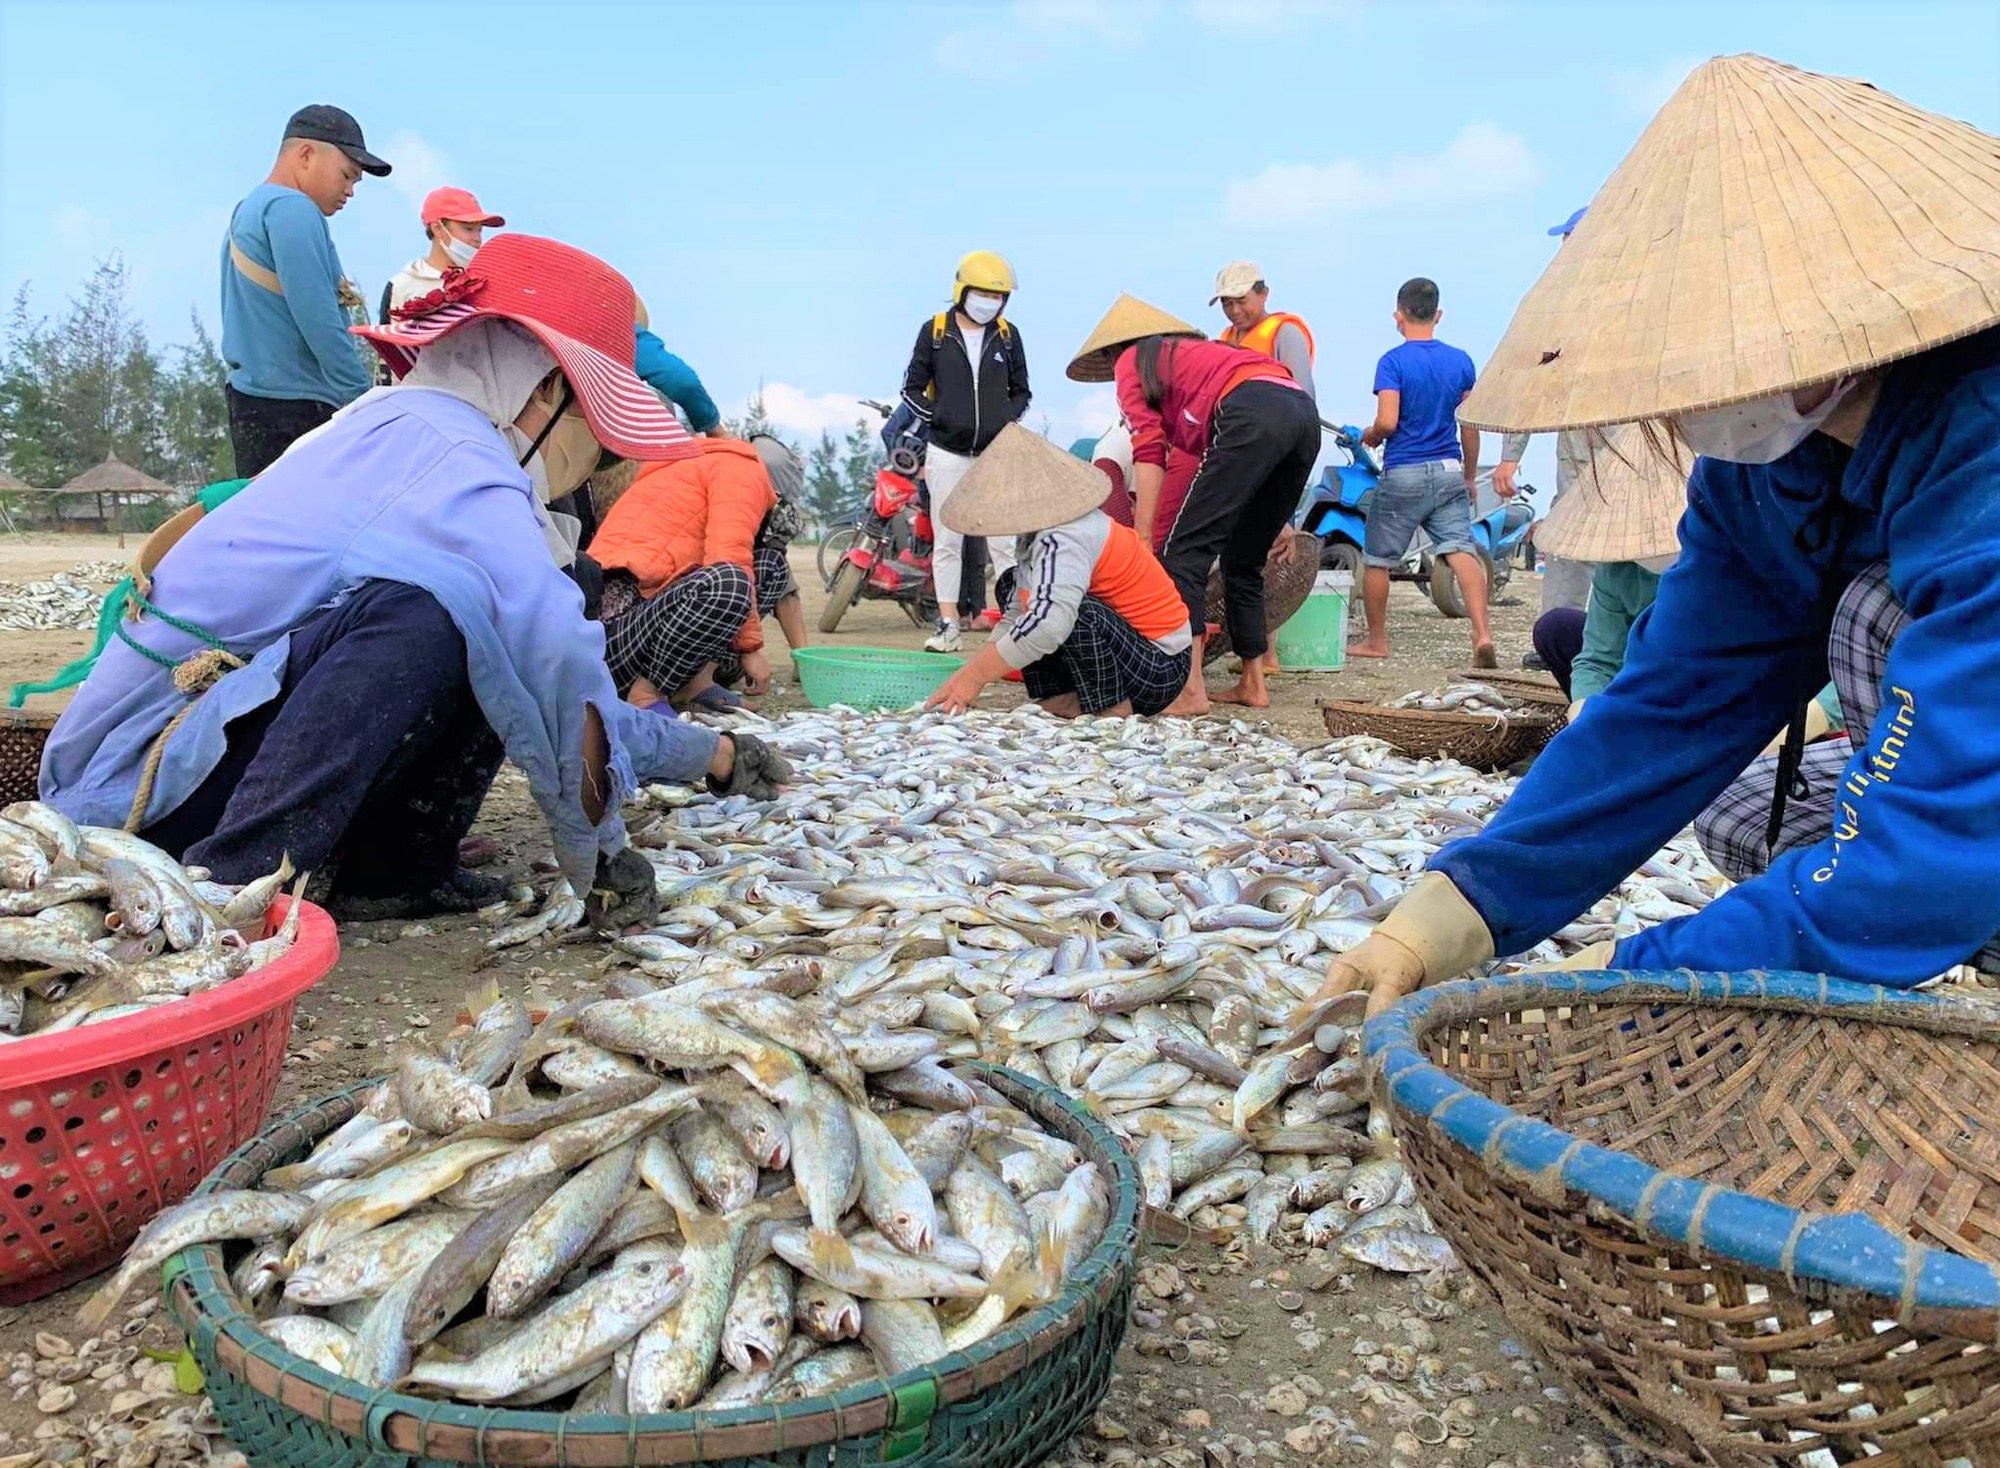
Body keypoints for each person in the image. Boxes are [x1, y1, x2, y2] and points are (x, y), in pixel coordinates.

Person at [1290, 54, 2000, 1032]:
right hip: (1962, 755)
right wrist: (1456, 908)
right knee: (1743, 813)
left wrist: (1635, 974)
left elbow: (1925, 829)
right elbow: (1677, 697)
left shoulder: (1979, 431)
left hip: (1971, 757)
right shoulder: (1763, 463)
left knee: (1870, 623)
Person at [43, 233, 790, 925]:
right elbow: (563, 676)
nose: (593, 454)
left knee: (489, 616)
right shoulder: (457, 462)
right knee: (436, 613)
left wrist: (710, 757)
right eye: (592, 425)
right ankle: (225, 889)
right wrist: (599, 856)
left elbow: (557, 686)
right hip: (137, 794)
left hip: (190, 754)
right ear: (545, 389)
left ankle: (394, 870)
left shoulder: (391, 420)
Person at [1069, 293, 1317, 714]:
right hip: (1303, 418)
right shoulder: (1207, 357)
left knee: (1184, 556)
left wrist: (1143, 537)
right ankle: (1253, 683)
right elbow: (1238, 464)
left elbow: (1148, 451)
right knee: (1244, 558)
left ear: (1115, 351)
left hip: (1253, 410)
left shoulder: (1132, 361)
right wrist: (1277, 519)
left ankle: (1189, 690)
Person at [926, 425, 1191, 718]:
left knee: (1069, 611)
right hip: (1128, 653)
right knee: (1009, 583)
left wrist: (976, 677)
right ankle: (1062, 695)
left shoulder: (1065, 536)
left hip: (1160, 666)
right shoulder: (1035, 534)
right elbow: (1017, 614)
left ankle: (1111, 705)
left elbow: (1049, 624)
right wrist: (970, 672)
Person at [221, 106, 389, 479]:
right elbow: (320, 321)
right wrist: (363, 403)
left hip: (251, 402)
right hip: (295, 412)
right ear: (306, 155)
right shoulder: (293, 209)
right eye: (347, 175)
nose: (350, 191)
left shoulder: (247, 209)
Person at [589, 433, 807, 713]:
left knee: (769, 565)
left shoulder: (690, 461)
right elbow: (727, 557)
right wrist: (750, 648)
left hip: (616, 637)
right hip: (611, 646)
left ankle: (694, 684)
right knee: (729, 583)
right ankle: (648, 695)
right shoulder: (744, 470)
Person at [1354, 278, 1497, 668]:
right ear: (1439, 315)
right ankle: (1482, 632)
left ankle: (1377, 641)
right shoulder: (1461, 361)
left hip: (1405, 470)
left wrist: (1370, 435)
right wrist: (1469, 476)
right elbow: (1469, 425)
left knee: (1379, 559)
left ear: (1398, 317)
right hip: (1450, 469)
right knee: (1459, 548)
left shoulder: (1393, 362)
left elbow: (1387, 420)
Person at [898, 251, 1031, 652]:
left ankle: (1014, 625)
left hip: (995, 454)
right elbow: (911, 388)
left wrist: (1004, 419)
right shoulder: (935, 332)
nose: (991, 301)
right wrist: (941, 418)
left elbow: (1022, 390)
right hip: (947, 452)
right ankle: (948, 623)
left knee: (1004, 542)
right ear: (962, 290)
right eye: (984, 293)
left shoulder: (1008, 336)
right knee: (948, 539)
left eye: (999, 295)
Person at [1521, 423, 1691, 706]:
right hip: (1633, 662)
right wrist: (1585, 712)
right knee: (1556, 627)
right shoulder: (1618, 564)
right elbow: (1597, 660)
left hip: (1693, 676)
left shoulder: (1711, 558)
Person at [1495, 209, 1595, 637]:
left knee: (1572, 533)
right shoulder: (1642, 292)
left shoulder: (1561, 304)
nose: (1561, 249)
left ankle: (1565, 631)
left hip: (1591, 435)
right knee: (1581, 534)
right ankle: (1576, 633)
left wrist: (1509, 459)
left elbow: (1531, 378)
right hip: (1609, 435)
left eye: (1567, 238)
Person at [380, 187, 505, 322]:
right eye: (468, 229)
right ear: (437, 228)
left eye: (479, 230)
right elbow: (385, 340)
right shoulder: (401, 286)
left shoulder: (488, 282)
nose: (477, 238)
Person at [1213, 260, 1316, 401]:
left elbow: (1305, 400)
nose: (1235, 310)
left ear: (1264, 294)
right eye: (1227, 303)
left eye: (1242, 301)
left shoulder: (1285, 334)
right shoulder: (1225, 339)